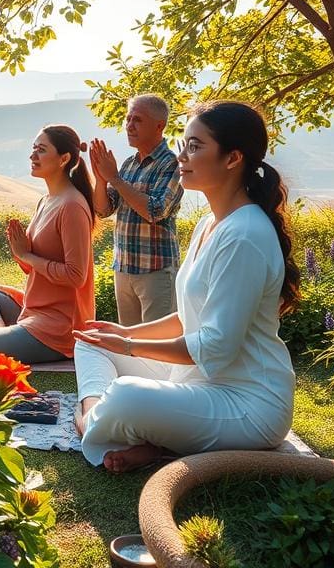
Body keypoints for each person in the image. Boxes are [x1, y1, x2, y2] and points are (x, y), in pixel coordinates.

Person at [73, 101, 299, 472]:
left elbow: (215, 347)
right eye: (184, 145)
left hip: (247, 404)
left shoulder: (245, 235)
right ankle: (115, 421)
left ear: (232, 158)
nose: (182, 157)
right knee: (91, 340)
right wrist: (124, 333)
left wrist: (129, 346)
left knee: (128, 396)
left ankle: (90, 421)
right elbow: (188, 317)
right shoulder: (210, 223)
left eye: (194, 146)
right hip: (195, 380)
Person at [0, 125, 96, 362]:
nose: (32, 156)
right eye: (34, 148)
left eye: (41, 150)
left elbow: (76, 276)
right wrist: (20, 252)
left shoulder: (72, 206)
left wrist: (27, 256)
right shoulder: (46, 201)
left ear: (64, 159)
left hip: (61, 325)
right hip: (34, 309)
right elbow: (31, 267)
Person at [89, 94, 183, 325]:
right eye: (128, 119)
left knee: (155, 343)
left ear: (159, 126)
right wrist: (101, 180)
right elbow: (103, 210)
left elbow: (156, 211)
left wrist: (115, 179)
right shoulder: (128, 164)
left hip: (155, 270)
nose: (129, 125)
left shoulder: (171, 163)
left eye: (138, 120)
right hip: (123, 268)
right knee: (128, 341)